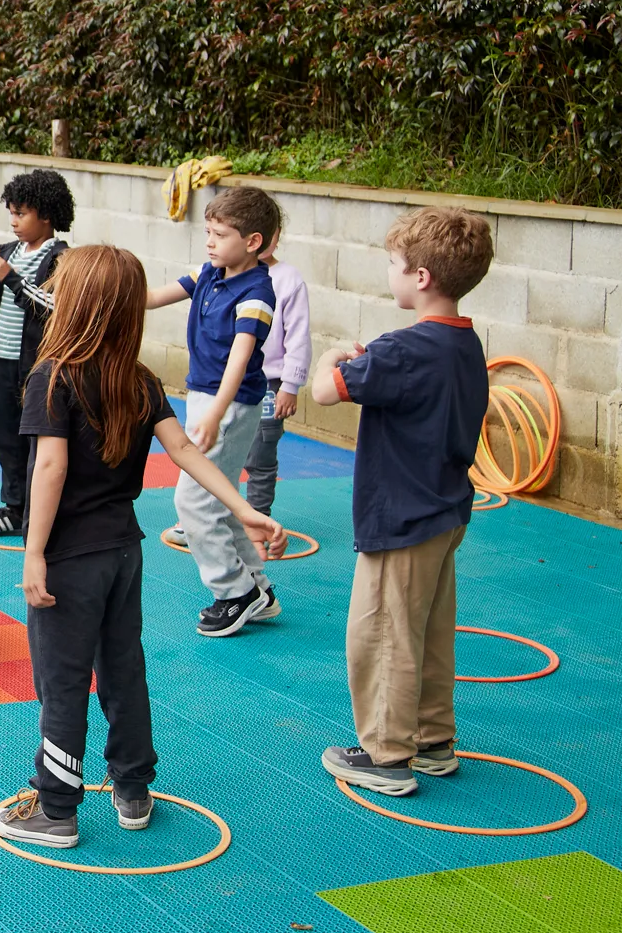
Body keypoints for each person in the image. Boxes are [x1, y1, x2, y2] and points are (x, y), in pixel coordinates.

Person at [0, 246, 284, 848]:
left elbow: (50, 470)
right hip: (123, 551)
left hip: (70, 558)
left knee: (62, 682)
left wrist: (33, 551)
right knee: (122, 668)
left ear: (77, 303)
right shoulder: (138, 377)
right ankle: (133, 788)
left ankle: (56, 808)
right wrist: (246, 508)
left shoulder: (55, 374)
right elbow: (187, 452)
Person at [312, 207, 492, 796]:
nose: (388, 272)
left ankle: (386, 755)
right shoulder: (464, 344)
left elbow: (326, 390)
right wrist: (373, 362)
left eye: (393, 263)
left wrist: (334, 356)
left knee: (384, 632)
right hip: (444, 512)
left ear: (421, 278)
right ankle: (433, 740)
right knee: (431, 628)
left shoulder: (400, 350)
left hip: (400, 517)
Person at [146, 186, 284, 638]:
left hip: (230, 405)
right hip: (205, 399)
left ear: (254, 242)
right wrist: (106, 288)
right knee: (221, 503)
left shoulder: (257, 293)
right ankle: (257, 591)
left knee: (192, 500)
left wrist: (214, 414)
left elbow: (240, 358)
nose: (209, 241)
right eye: (208, 232)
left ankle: (233, 592)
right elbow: (151, 297)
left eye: (220, 234)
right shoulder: (211, 272)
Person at [0, 168, 73, 540]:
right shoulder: (8, 251)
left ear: (46, 215)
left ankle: (40, 510)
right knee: (6, 439)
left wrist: (10, 277)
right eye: (11, 212)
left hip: (36, 369)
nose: (13, 221)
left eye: (21, 213)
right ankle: (14, 507)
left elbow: (49, 306)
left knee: (36, 441)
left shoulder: (60, 259)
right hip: (2, 361)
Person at [245, 236, 311, 516]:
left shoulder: (288, 279)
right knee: (213, 451)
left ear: (277, 235)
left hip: (269, 383)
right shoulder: (225, 271)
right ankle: (204, 519)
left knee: (260, 454)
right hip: (224, 380)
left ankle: (257, 519)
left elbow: (298, 335)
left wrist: (290, 384)